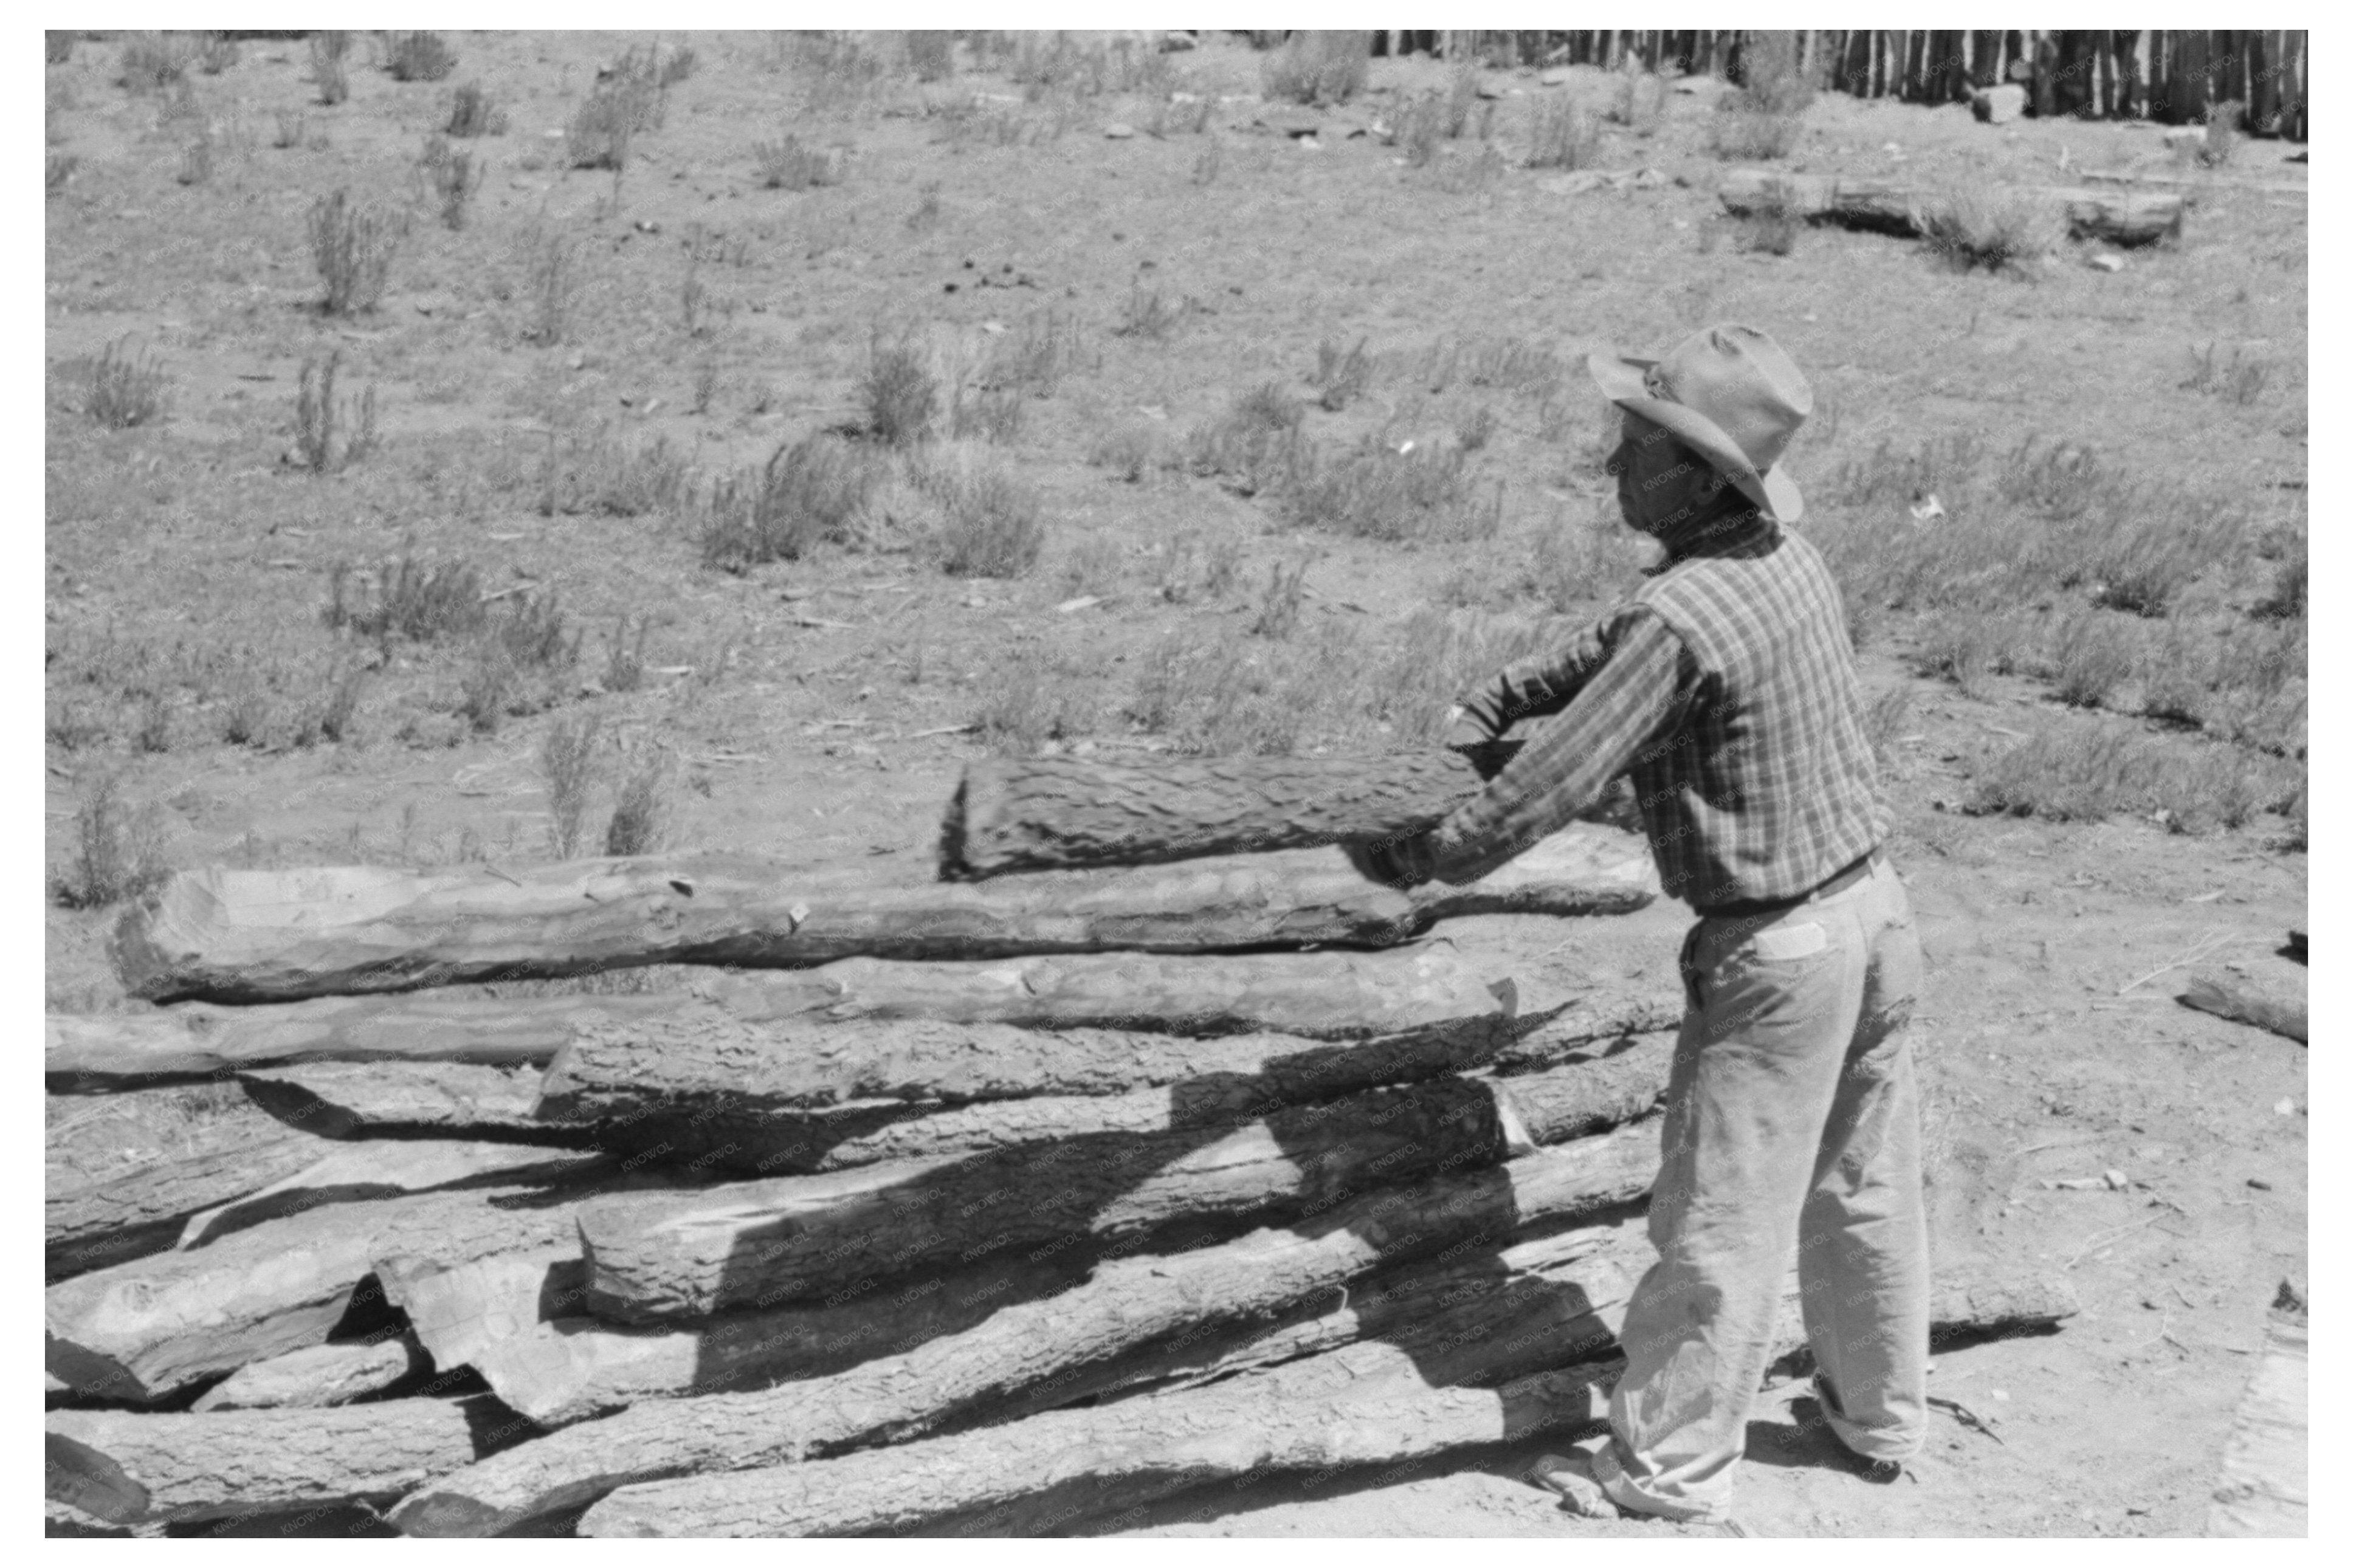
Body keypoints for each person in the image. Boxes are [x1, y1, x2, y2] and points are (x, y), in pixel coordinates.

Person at [1351, 325, 1928, 1526]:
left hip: (1781, 953)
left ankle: (1664, 1475)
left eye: (1635, 449)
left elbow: (1548, 785)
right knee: (1862, 1181)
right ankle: (1876, 1419)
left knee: (1718, 1219)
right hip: (1876, 915)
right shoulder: (1776, 556)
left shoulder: (1684, 618)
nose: (1613, 467)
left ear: (1693, 477)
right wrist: (1500, 695)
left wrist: (1417, 857)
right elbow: (1610, 655)